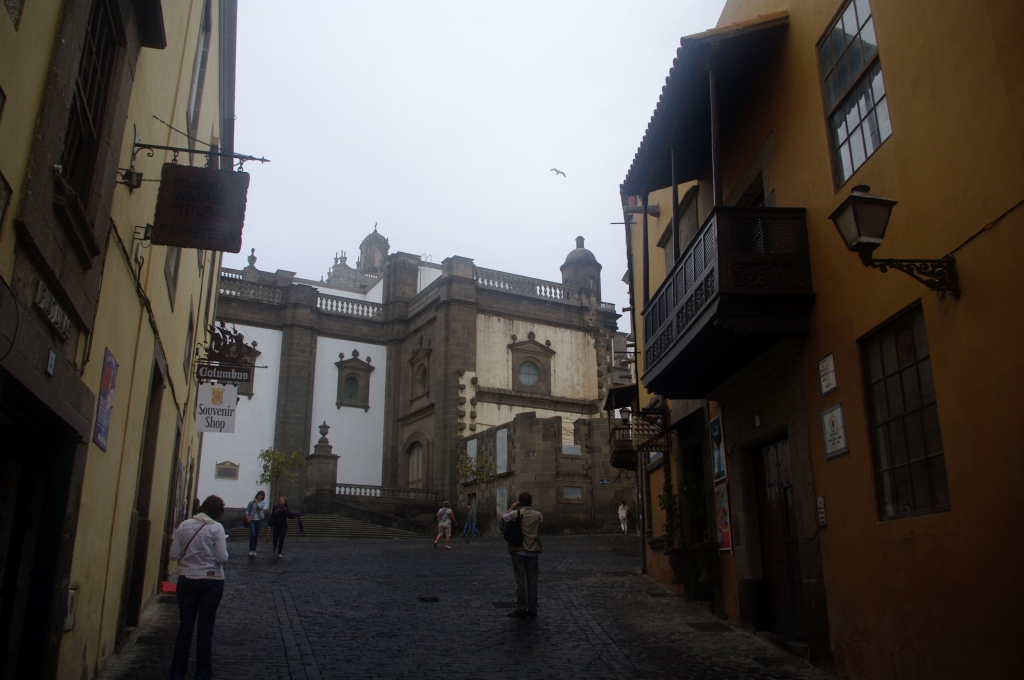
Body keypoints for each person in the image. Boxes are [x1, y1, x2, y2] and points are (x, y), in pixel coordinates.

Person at [168, 495, 229, 680]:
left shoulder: (184, 525)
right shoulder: (217, 528)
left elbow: (174, 554)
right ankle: (202, 673)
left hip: (186, 579)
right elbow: (222, 558)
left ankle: (177, 672)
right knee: (205, 628)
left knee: (185, 627)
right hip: (211, 581)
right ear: (218, 511)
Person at [502, 491, 542, 618]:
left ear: (520, 503)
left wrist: (512, 507)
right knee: (532, 581)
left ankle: (521, 608)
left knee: (520, 581)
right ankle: (533, 608)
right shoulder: (537, 515)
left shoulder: (515, 514)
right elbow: (540, 521)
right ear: (531, 502)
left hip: (518, 550)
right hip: (533, 551)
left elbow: (503, 517)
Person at [246, 490, 266, 556]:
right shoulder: (251, 502)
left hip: (259, 520)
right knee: (253, 535)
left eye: (262, 495)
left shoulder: (262, 503)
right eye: (259, 495)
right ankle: (251, 549)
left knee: (256, 535)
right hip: (252, 520)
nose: (260, 496)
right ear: (257, 495)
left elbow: (260, 507)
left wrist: (257, 502)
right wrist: (247, 517)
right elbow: (247, 510)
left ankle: (254, 550)